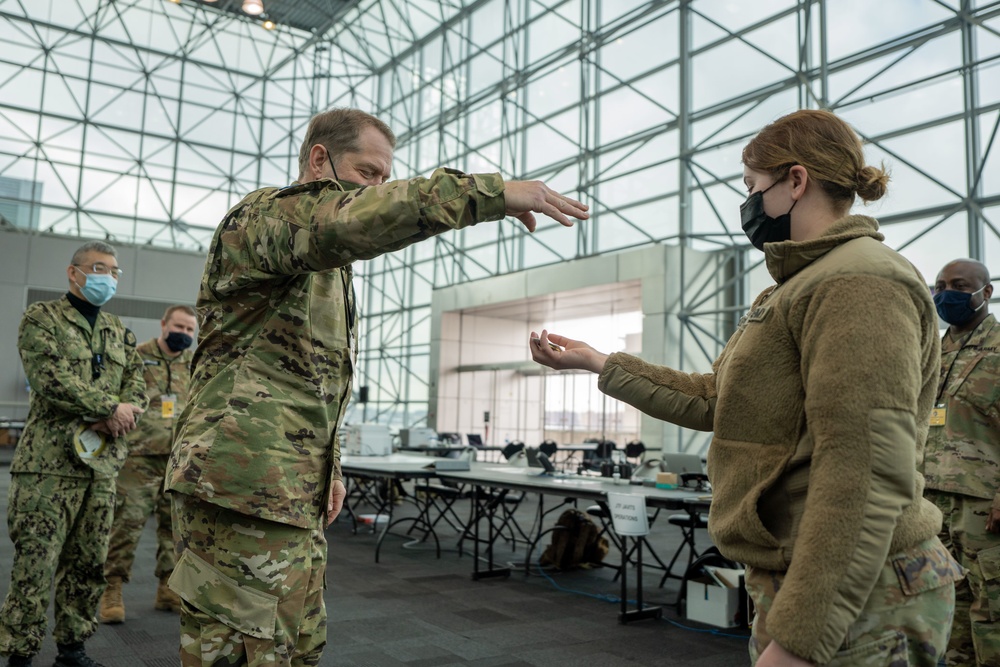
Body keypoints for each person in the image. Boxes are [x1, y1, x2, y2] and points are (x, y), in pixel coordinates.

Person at [530, 109, 962, 666]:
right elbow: (718, 399)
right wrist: (598, 363)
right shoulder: (797, 285)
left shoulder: (858, 281)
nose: (750, 204)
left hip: (858, 593)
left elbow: (866, 465)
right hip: (819, 575)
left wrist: (803, 637)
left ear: (796, 181)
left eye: (754, 188)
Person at [165, 106, 588, 666]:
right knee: (241, 652)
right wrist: (487, 193)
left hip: (287, 491)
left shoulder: (322, 269)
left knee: (296, 646)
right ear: (320, 161)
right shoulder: (262, 221)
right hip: (238, 489)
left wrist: (328, 465)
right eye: (368, 173)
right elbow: (349, 221)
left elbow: (308, 383)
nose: (377, 189)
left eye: (385, 179)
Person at [0, 241, 148, 667]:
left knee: (88, 564)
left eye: (115, 271)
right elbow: (49, 377)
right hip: (48, 468)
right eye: (100, 268)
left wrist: (121, 413)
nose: (109, 277)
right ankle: (19, 653)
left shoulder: (120, 331)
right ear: (74, 272)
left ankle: (72, 649)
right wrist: (108, 409)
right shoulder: (41, 319)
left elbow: (136, 388)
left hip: (101, 468)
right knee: (35, 564)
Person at [99, 305, 197, 624]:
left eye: (190, 330)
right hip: (138, 458)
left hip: (178, 462)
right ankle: (112, 589)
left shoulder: (195, 365)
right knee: (126, 525)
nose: (184, 334)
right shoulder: (137, 357)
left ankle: (168, 590)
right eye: (179, 326)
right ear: (164, 324)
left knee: (174, 530)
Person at [923, 258, 1000, 667]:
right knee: (947, 602)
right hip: (932, 500)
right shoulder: (931, 350)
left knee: (992, 610)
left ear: (985, 292)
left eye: (958, 285)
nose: (945, 293)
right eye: (939, 285)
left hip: (983, 505)